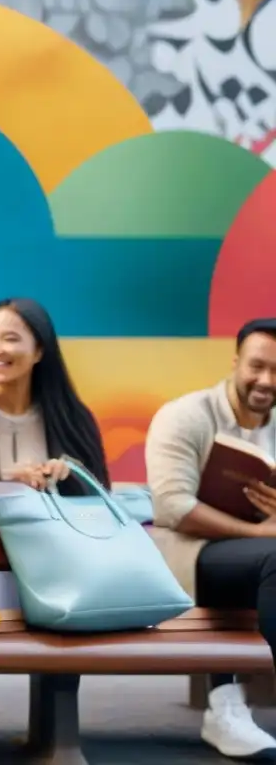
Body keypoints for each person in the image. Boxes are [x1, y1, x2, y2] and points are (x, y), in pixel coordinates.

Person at [145, 317, 276, 761]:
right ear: (236, 361)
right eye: (257, 366)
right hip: (190, 556)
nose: (265, 380)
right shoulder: (186, 415)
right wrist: (257, 531)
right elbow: (171, 506)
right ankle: (226, 704)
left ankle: (229, 701)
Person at [0, 298, 110, 494]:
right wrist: (7, 482)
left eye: (10, 339)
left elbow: (103, 495)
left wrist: (67, 476)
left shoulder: (73, 418)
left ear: (39, 351)